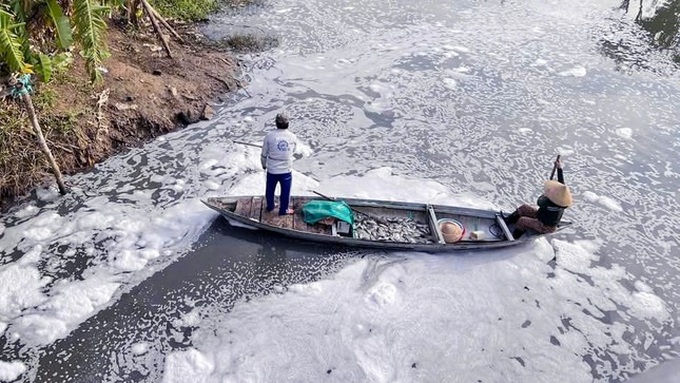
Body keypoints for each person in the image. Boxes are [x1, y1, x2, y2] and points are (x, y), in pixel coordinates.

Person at [503, 158, 573, 239]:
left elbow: (539, 202)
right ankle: (507, 221)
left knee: (522, 221)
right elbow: (561, 184)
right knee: (524, 208)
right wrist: (559, 168)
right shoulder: (562, 200)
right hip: (540, 215)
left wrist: (545, 195)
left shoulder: (550, 204)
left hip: (545, 226)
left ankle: (514, 237)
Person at [261, 113, 298, 215]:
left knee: (270, 189)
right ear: (288, 124)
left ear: (276, 123)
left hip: (272, 169)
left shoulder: (269, 136)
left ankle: (270, 207)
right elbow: (293, 151)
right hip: (286, 170)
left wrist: (264, 165)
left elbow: (264, 154)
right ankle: (284, 210)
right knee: (285, 192)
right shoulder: (292, 137)